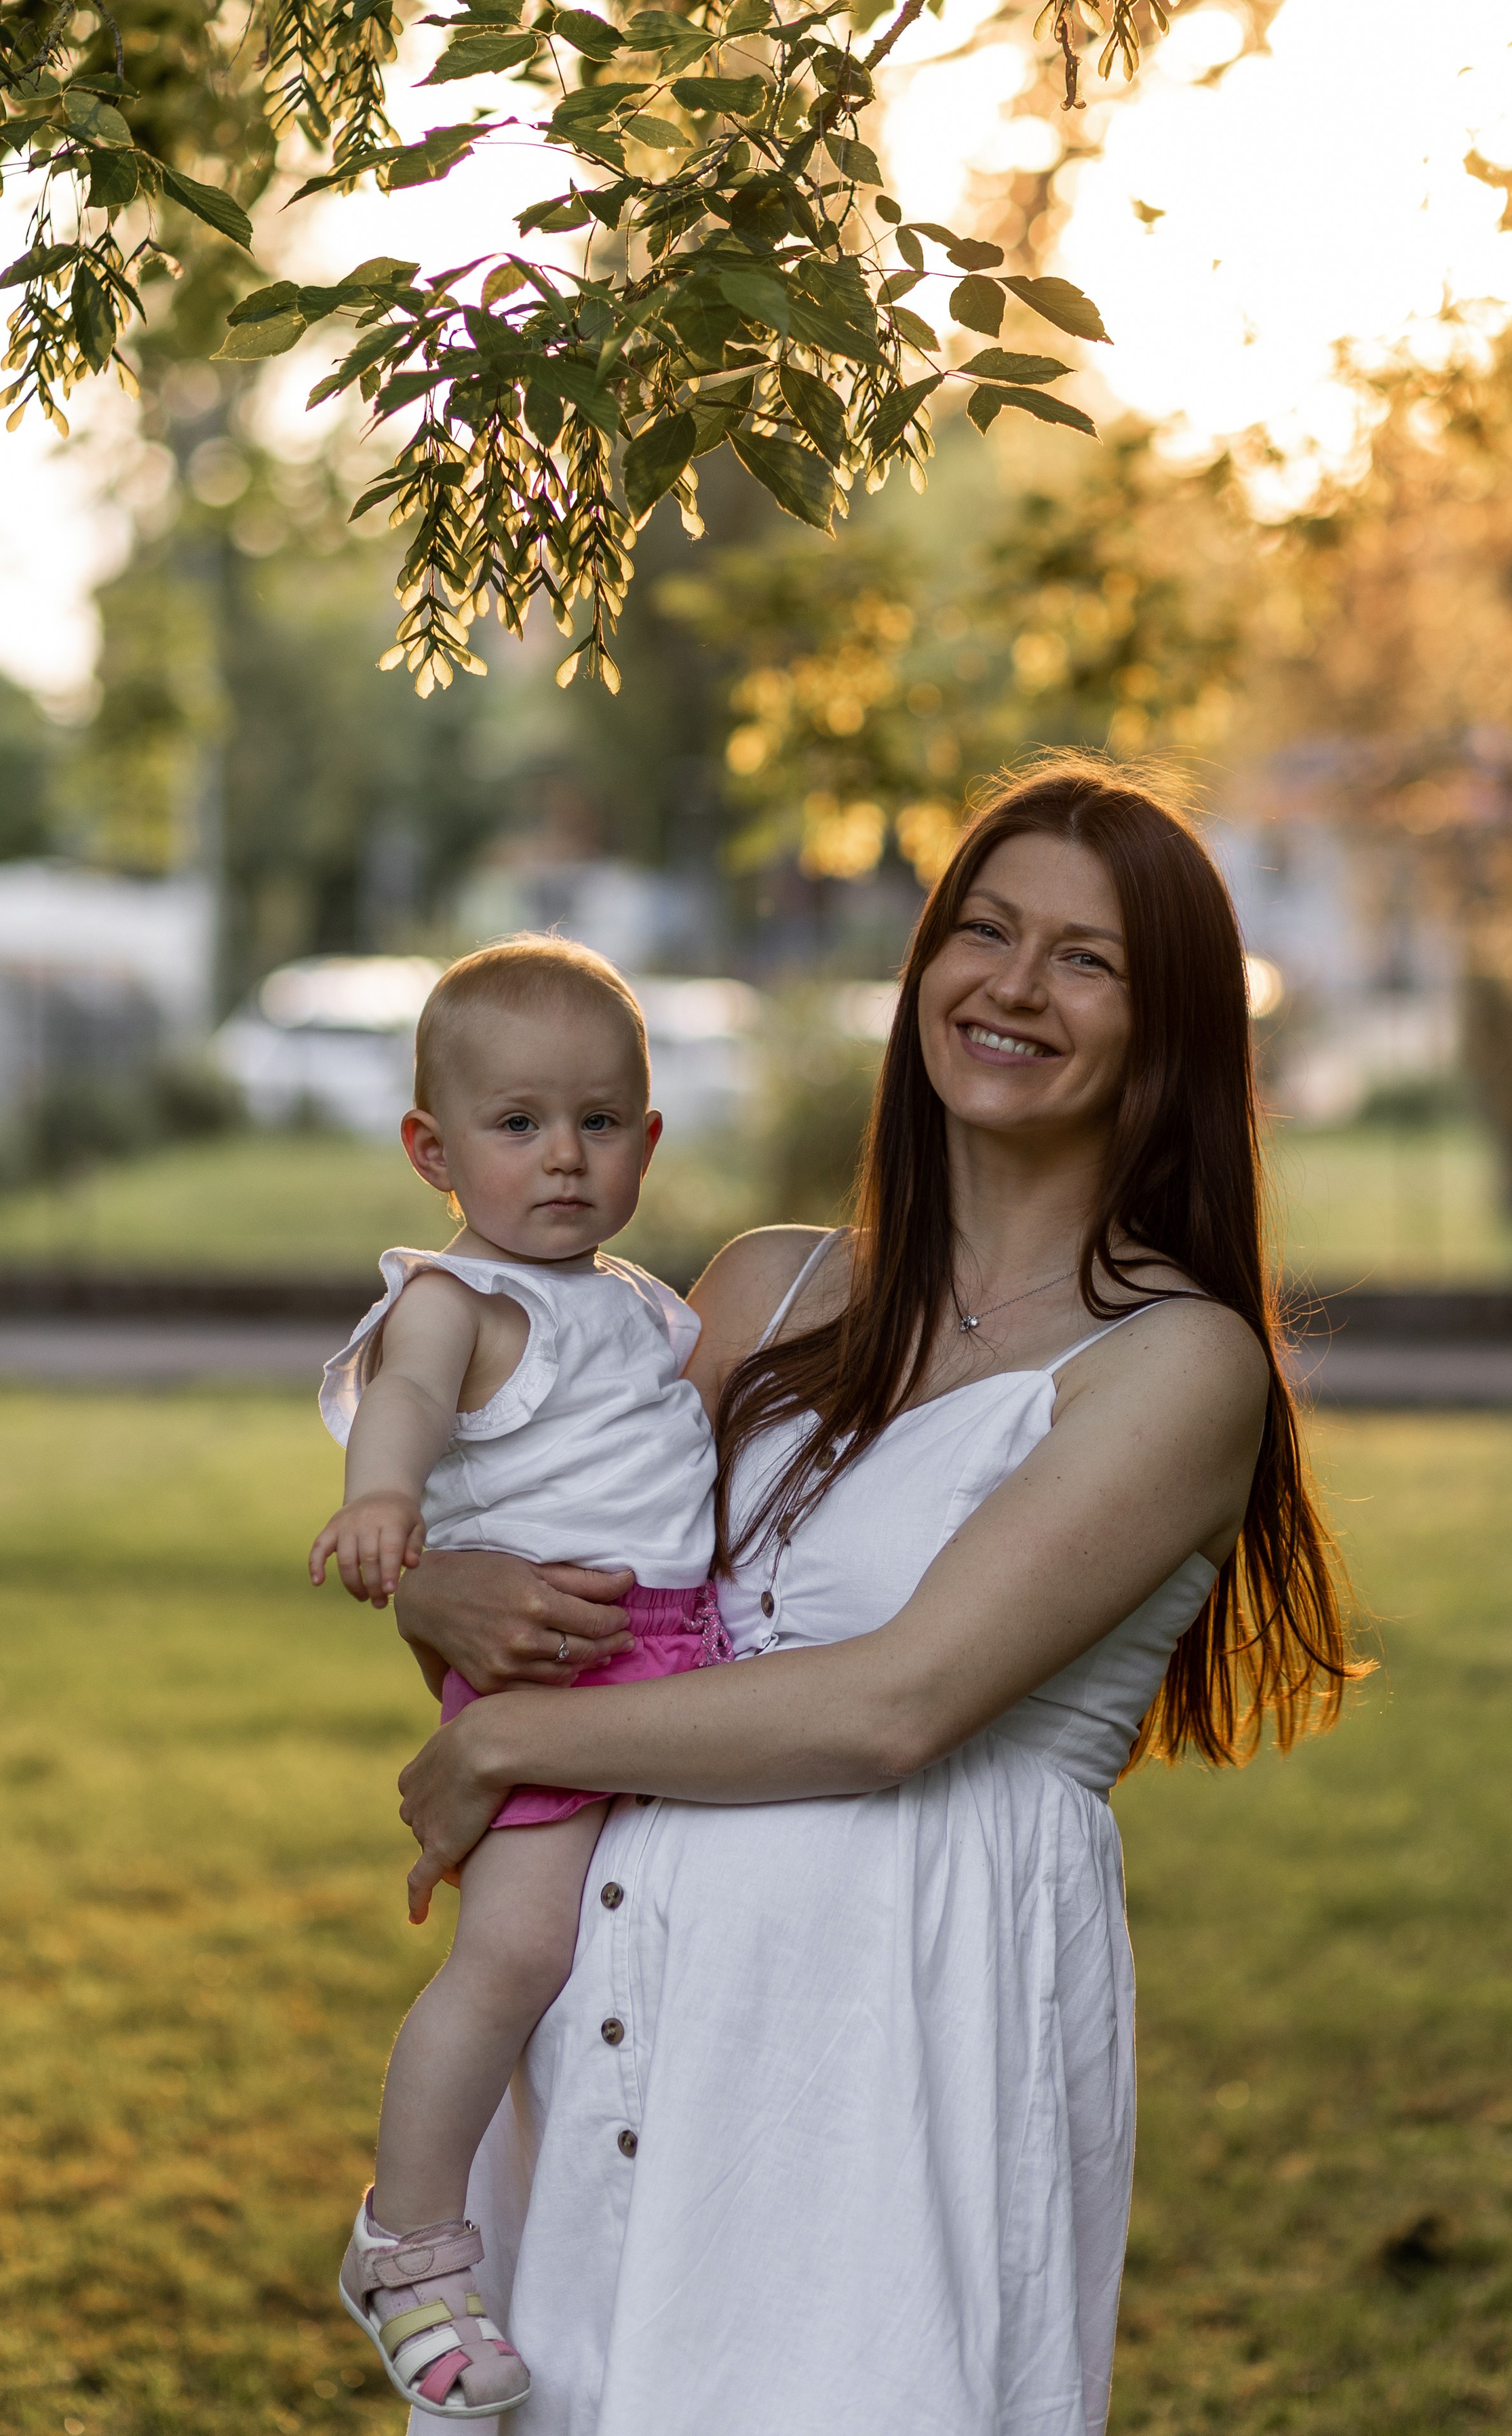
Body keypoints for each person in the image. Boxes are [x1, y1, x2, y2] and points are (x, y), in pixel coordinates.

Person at [387, 756, 1363, 2436]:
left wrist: (500, 1743)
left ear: (1170, 1030)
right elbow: (584, 1596)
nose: (1012, 986)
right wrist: (440, 1595)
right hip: (618, 2015)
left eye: (1084, 958)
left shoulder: (1179, 1365)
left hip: (891, 2040)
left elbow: (893, 1706)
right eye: (982, 931)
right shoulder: (761, 1290)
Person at [309, 937, 730, 2420]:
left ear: (648, 1142)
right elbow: (410, 1399)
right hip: (556, 1680)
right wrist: (385, 1502)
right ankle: (409, 2251)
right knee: (514, 1956)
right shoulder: (458, 1300)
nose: (565, 1156)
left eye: (599, 1122)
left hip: (682, 1667)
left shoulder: (641, 1303)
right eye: (518, 1123)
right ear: (433, 1151)